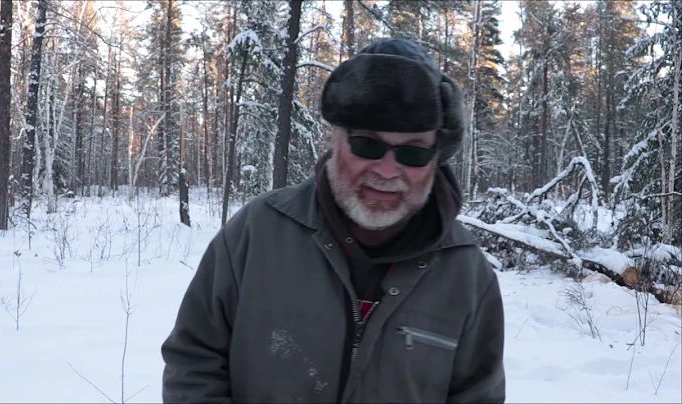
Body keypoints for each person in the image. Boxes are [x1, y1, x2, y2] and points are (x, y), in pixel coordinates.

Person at [160, 38, 506, 403]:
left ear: (437, 156)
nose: (388, 170)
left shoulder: (467, 274)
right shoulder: (257, 233)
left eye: (413, 152)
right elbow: (194, 363)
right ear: (335, 137)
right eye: (367, 144)